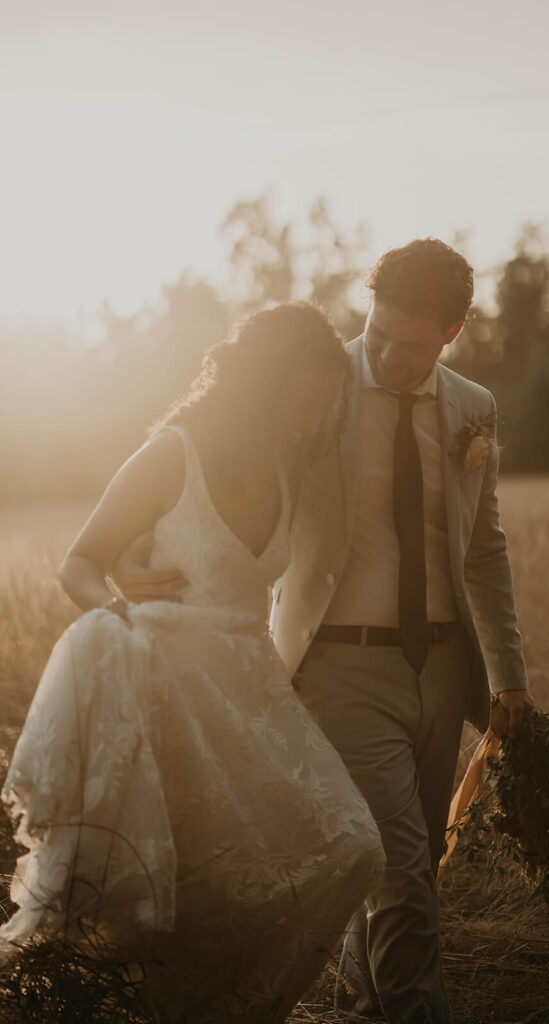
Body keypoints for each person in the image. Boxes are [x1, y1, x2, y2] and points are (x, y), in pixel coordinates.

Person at [116, 240, 535, 1024]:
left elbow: (484, 547)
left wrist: (507, 675)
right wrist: (136, 544)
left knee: (406, 860)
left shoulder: (472, 407)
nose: (387, 356)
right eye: (377, 334)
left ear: (450, 334)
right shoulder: (319, 390)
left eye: (412, 346)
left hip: (444, 665)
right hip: (336, 664)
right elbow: (213, 449)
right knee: (403, 864)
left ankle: (362, 999)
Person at [0, 302, 385, 1023]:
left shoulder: (286, 463)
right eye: (302, 403)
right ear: (263, 385)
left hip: (249, 692)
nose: (311, 420)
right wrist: (112, 610)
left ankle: (233, 1008)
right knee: (175, 890)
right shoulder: (173, 451)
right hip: (162, 689)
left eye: (322, 408)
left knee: (350, 848)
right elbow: (80, 563)